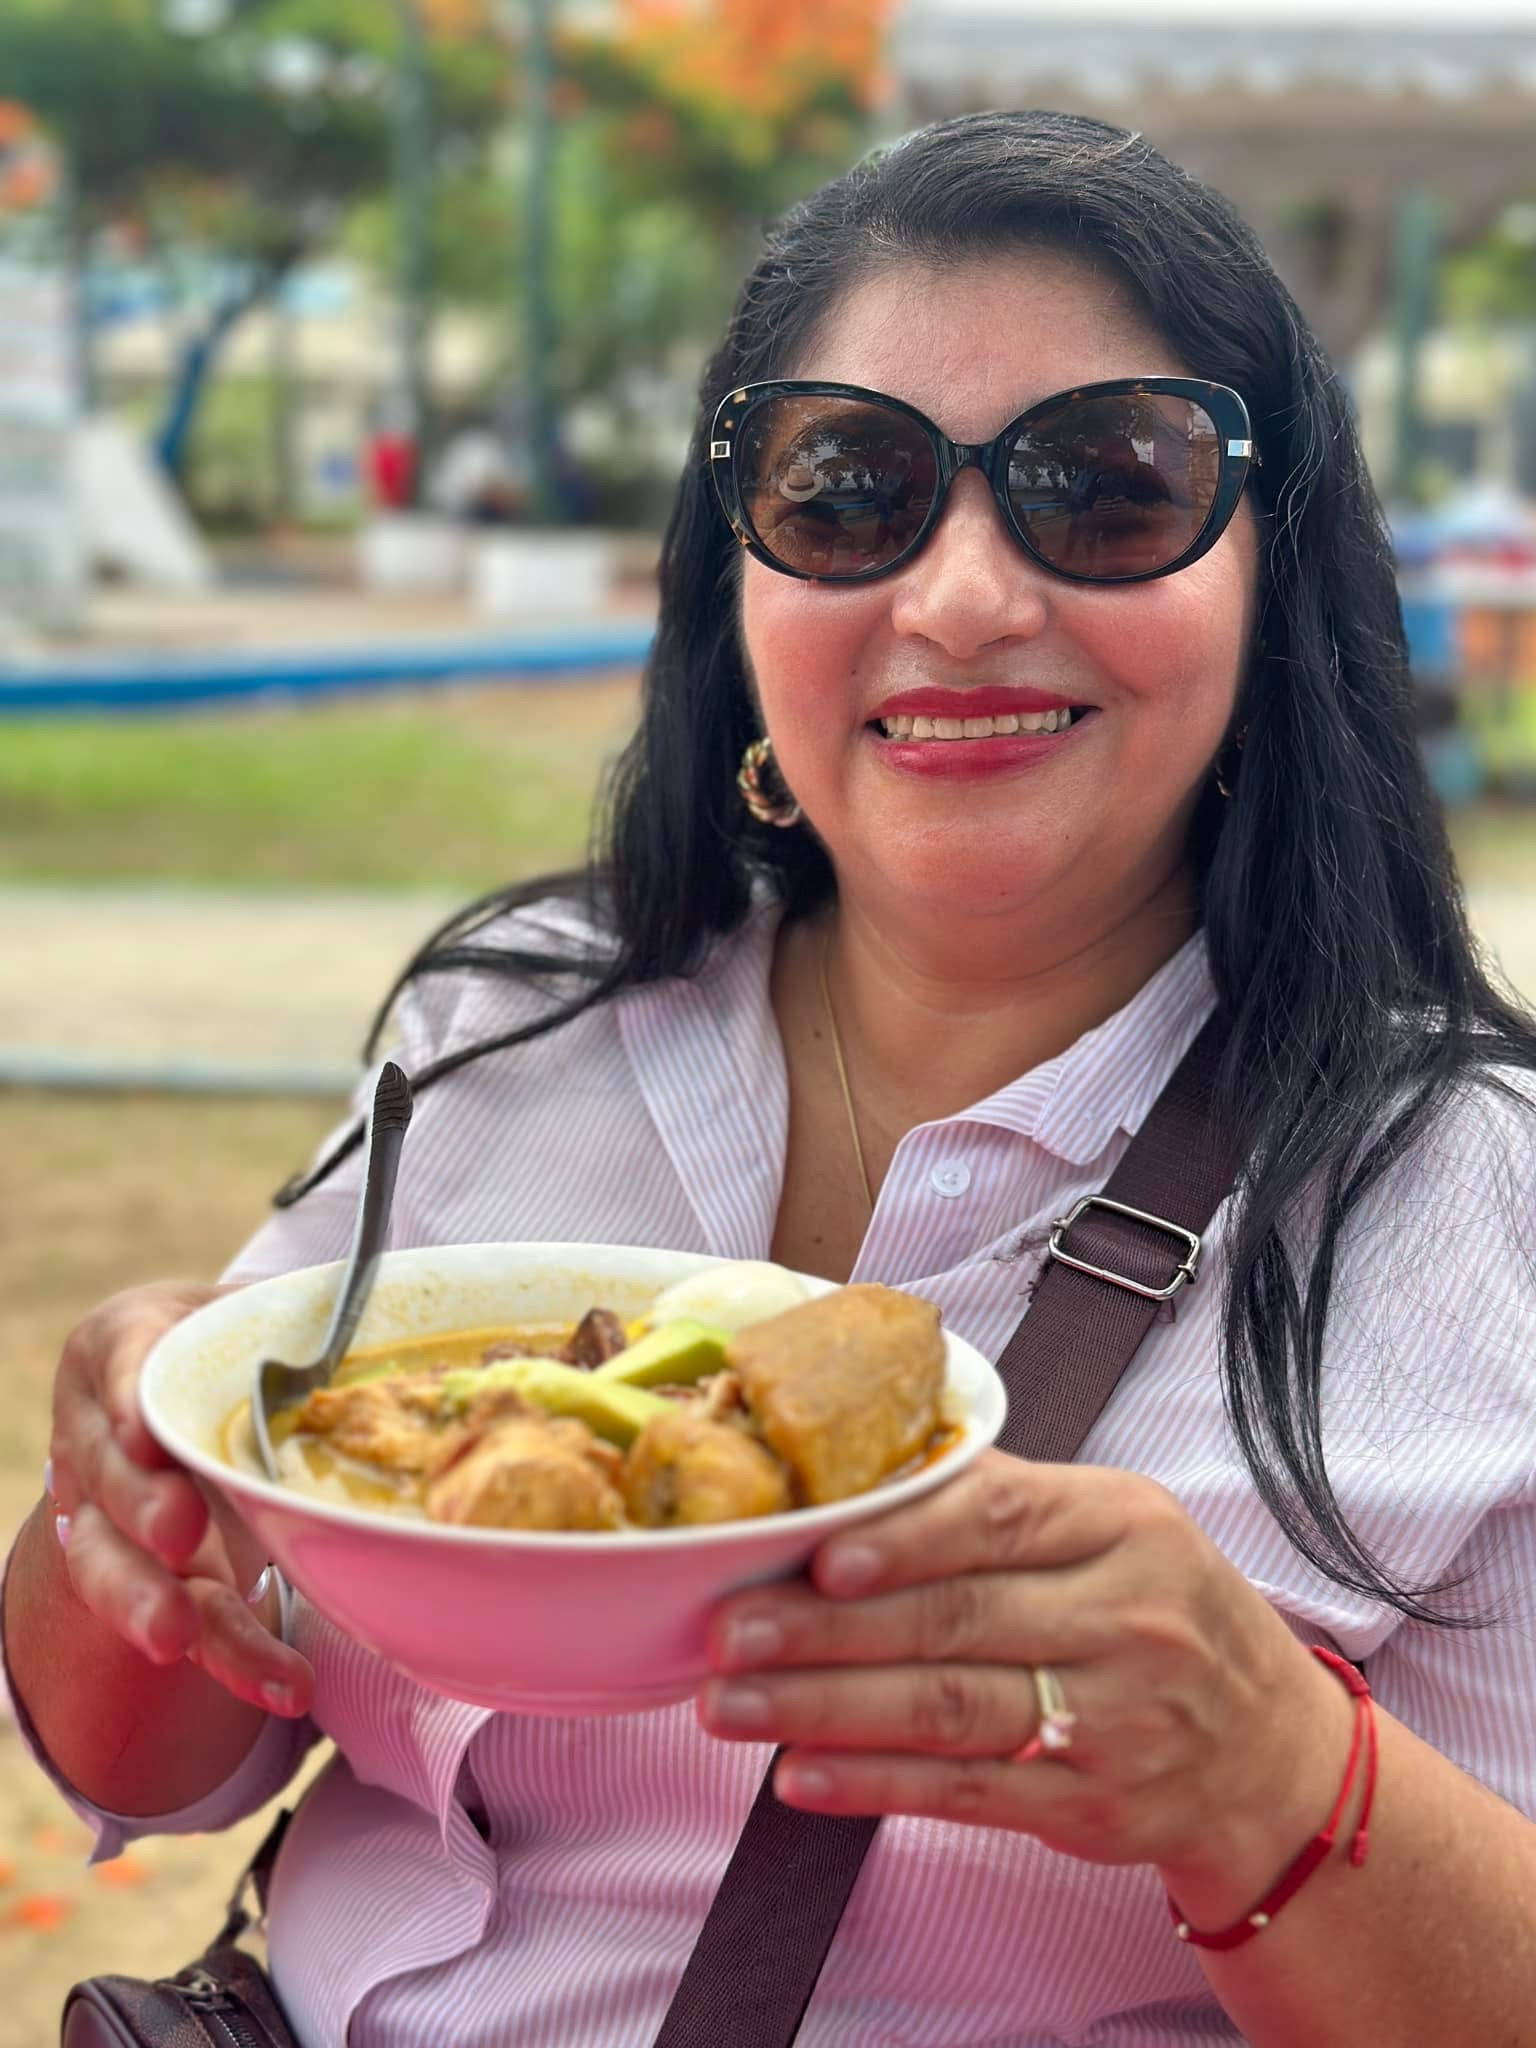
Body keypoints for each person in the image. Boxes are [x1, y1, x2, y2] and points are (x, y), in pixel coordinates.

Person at [8, 108, 1536, 2045]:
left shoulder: (1476, 1210)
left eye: (1106, 489)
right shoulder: (507, 1028)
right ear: (736, 583)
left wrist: (1273, 1775)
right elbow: (146, 1758)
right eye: (846, 493)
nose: (962, 599)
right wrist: (129, 1518)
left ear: (1272, 575)